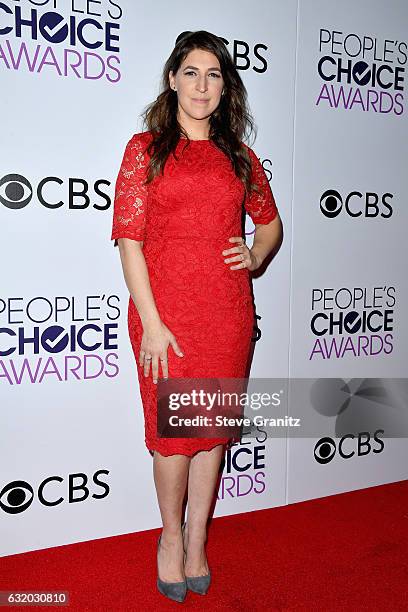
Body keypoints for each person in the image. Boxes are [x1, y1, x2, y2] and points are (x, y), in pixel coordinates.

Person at [110, 30, 282, 603]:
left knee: (211, 438)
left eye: (213, 74)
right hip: (166, 318)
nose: (201, 85)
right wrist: (152, 323)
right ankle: (169, 538)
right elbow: (130, 242)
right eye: (191, 72)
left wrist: (255, 253)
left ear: (225, 87)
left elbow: (271, 222)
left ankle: (199, 540)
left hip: (227, 313)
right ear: (172, 79)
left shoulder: (241, 156)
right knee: (171, 439)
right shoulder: (146, 149)